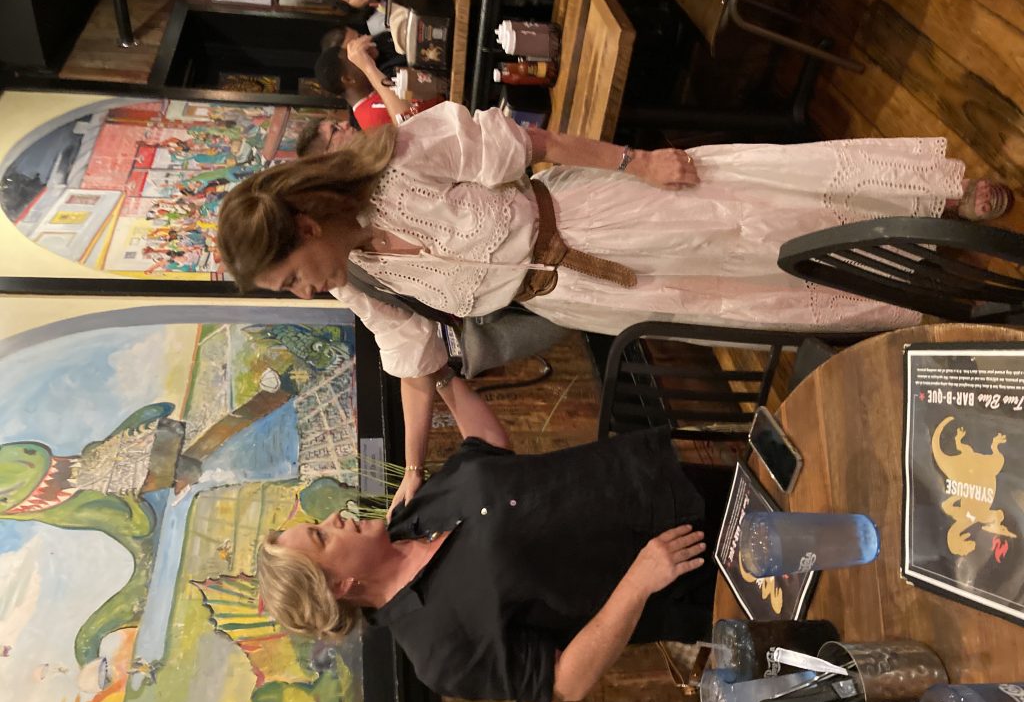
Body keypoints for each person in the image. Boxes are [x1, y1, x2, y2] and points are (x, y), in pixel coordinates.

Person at [217, 101, 1012, 503]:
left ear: (306, 226)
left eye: (293, 279)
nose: (307, 291)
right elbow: (412, 360)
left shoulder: (397, 159)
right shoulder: (361, 279)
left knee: (761, 220)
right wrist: (414, 470)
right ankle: (932, 299)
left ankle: (937, 205)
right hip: (578, 296)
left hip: (593, 215)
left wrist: (636, 161)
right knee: (749, 301)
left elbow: (527, 144)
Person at [256, 380, 718, 702]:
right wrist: (639, 582)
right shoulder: (437, 652)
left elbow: (488, 448)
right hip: (685, 574)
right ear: (339, 585)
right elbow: (567, 682)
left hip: (659, 482)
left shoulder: (409, 515)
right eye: (322, 535)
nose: (335, 517)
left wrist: (442, 375)